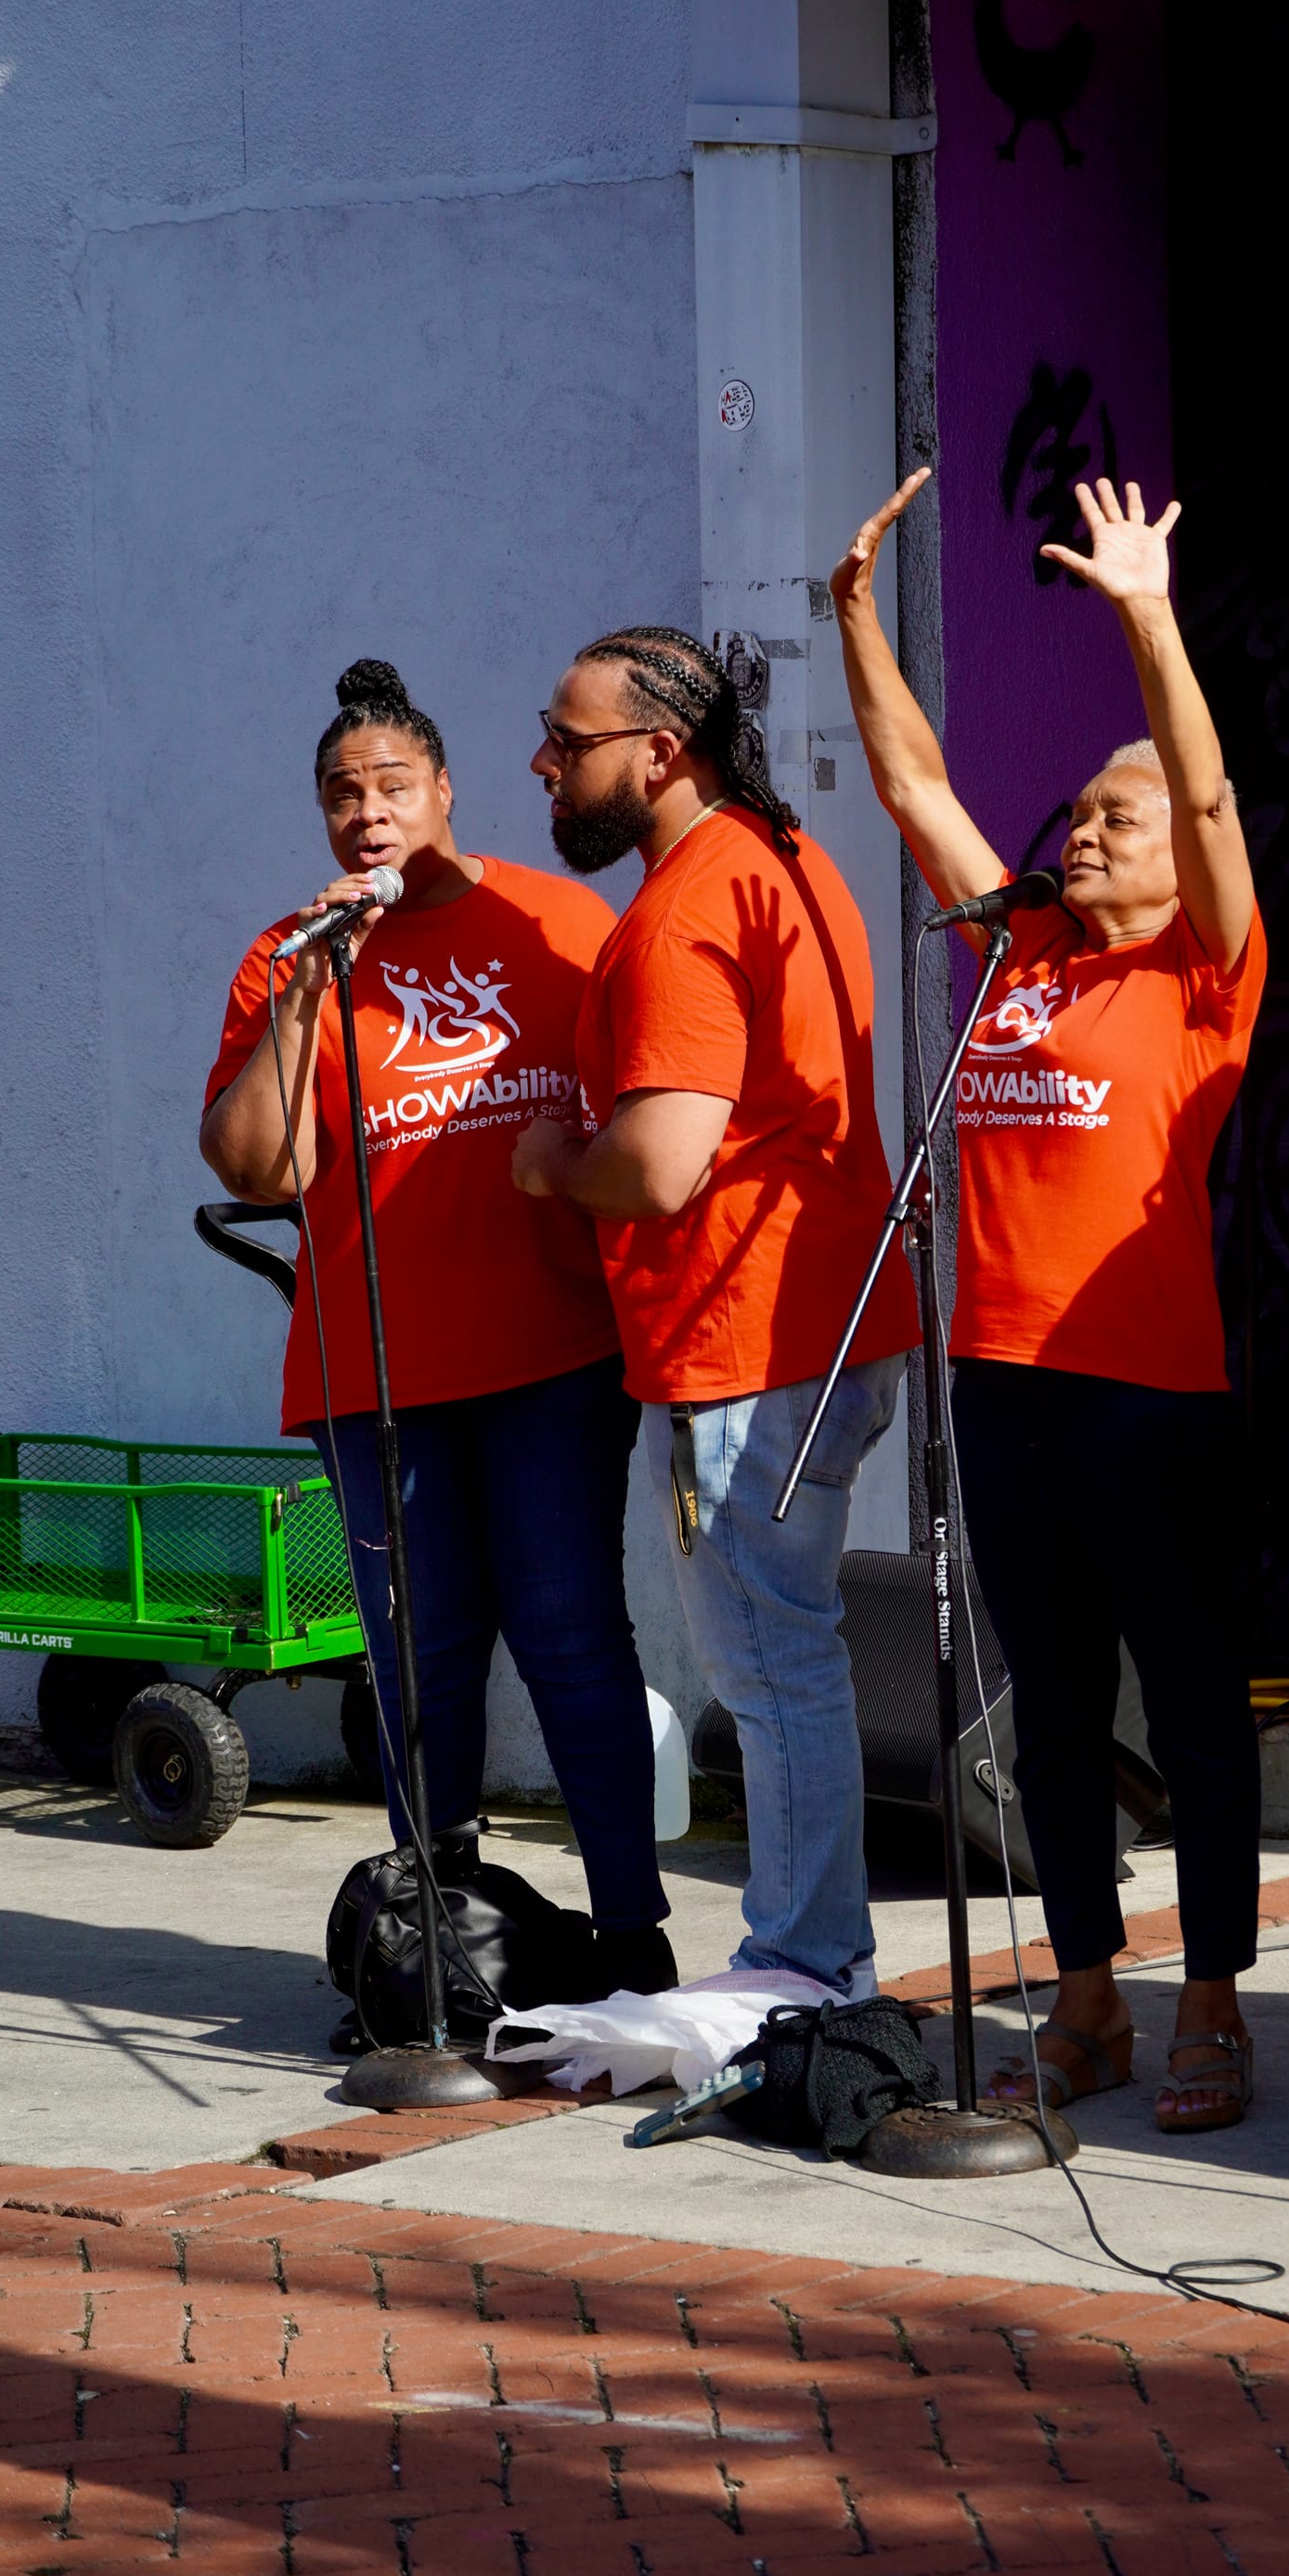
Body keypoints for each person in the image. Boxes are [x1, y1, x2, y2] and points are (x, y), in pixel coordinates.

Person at [831, 470, 1269, 2133]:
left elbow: (1213, 808)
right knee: (1057, 1713)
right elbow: (912, 782)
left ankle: (1212, 1998)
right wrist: (852, 616)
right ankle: (1086, 1992)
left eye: (1116, 815)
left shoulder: (1203, 975)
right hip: (1001, 1384)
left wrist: (1145, 617)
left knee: (1199, 1709)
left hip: (1149, 1396)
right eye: (1079, 809)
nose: (1082, 826)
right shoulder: (1019, 957)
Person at [201, 660, 673, 2036]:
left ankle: (635, 1935)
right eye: (342, 795)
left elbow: (638, 1102)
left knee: (575, 1636)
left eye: (392, 786)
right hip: (381, 1376)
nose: (367, 814)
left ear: (445, 792)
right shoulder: (291, 956)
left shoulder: (560, 919)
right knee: (421, 1656)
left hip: (552, 1360)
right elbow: (257, 1161)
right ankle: (439, 1934)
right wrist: (303, 995)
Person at [511, 627, 919, 1999]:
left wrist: (552, 1161)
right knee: (786, 1652)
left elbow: (661, 1161)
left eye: (568, 744)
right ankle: (813, 1954)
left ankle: (805, 1967)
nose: (544, 765)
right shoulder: (785, 861)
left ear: (660, 752)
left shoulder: (688, 907)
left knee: (768, 1665)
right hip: (815, 1330)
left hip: (742, 1345)